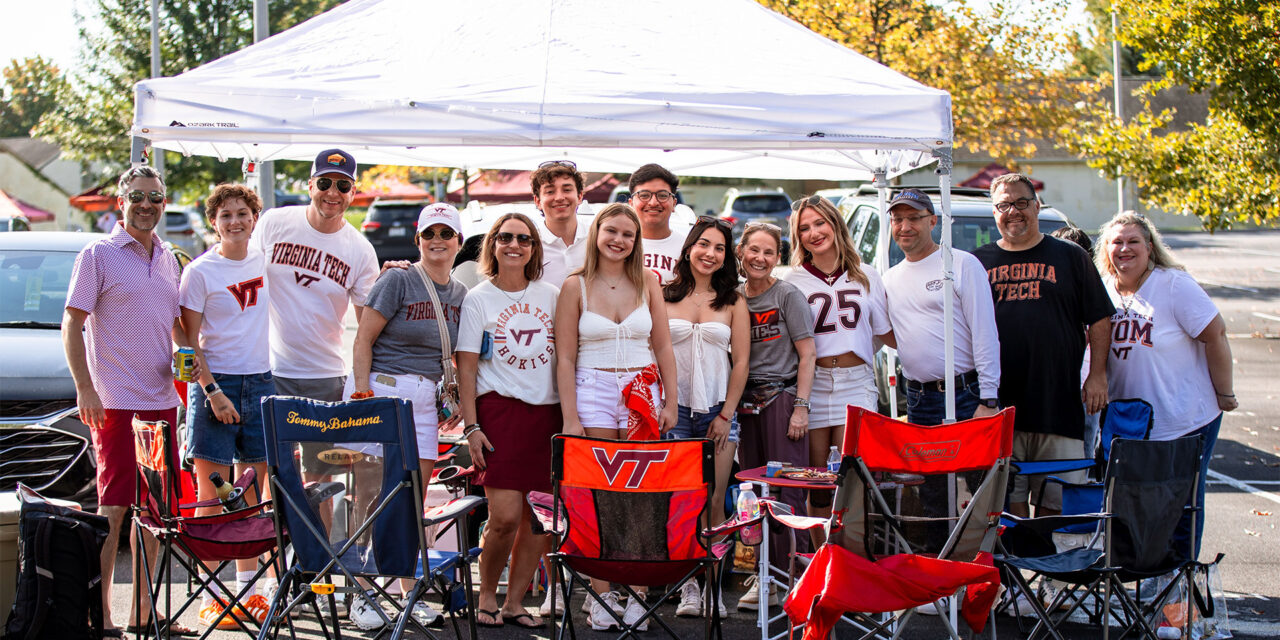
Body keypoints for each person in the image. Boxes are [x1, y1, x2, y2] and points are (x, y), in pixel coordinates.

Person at [63, 165, 197, 637]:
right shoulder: (97, 253)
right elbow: (72, 323)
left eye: (155, 198)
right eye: (137, 196)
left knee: (154, 513)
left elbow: (177, 326)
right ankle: (99, 615)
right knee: (114, 508)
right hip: (115, 403)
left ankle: (143, 611)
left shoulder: (168, 258)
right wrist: (85, 386)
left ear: (164, 203)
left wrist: (190, 355)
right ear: (120, 201)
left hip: (162, 403)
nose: (146, 205)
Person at [554, 203, 678, 632]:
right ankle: (601, 594)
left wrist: (671, 401)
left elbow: (663, 346)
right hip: (593, 390)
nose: (619, 240)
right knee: (600, 493)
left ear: (636, 240)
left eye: (628, 234)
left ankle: (638, 594)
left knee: (641, 492)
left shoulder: (648, 281)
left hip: (643, 390)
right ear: (597, 233)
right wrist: (570, 415)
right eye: (611, 231)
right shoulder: (575, 286)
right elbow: (565, 355)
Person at [344, 202, 468, 629]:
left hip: (423, 400)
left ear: (459, 242)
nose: (437, 240)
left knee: (413, 498)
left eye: (445, 234)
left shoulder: (460, 294)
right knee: (369, 496)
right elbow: (363, 340)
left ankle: (403, 589)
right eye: (429, 233)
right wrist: (362, 394)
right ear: (418, 240)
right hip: (380, 389)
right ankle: (359, 591)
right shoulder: (398, 279)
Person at [971, 173, 1113, 518]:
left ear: (1036, 206)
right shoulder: (976, 263)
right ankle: (1020, 571)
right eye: (1004, 204)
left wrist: (1097, 376)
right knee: (1010, 504)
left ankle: (1050, 569)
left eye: (1021, 202)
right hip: (1001, 407)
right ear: (994, 213)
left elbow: (1099, 318)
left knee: (1056, 505)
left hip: (1059, 404)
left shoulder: (1070, 256)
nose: (1013, 211)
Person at [1095, 211, 1236, 557]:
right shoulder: (1103, 288)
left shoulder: (1173, 284)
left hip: (1185, 416)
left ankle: (1177, 582)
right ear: (1106, 249)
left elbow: (1215, 334)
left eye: (1133, 242)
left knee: (1183, 501)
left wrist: (1224, 393)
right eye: (1117, 242)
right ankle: (1149, 573)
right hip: (1133, 421)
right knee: (1139, 503)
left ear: (1150, 248)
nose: (1124, 249)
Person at [251, 148, 380, 523]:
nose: (332, 193)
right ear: (310, 185)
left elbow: (367, 327)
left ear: (354, 192)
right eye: (324, 183)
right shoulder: (275, 223)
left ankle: (317, 569)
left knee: (318, 483)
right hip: (268, 370)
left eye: (343, 185)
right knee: (266, 476)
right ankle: (269, 572)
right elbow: (242, 277)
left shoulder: (359, 250)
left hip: (324, 377)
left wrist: (363, 383)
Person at [457, 213, 561, 629]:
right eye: (505, 238)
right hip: (499, 412)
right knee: (502, 516)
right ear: (493, 246)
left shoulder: (552, 295)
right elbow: (465, 368)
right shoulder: (478, 298)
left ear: (534, 247)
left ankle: (515, 603)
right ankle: (486, 597)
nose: (514, 245)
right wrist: (471, 426)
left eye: (524, 238)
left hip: (547, 416)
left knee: (537, 519)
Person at [179, 184, 274, 629]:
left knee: (253, 494)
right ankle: (212, 592)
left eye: (242, 213)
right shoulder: (199, 272)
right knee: (211, 493)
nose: (235, 221)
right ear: (213, 221)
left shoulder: (265, 260)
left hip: (261, 380)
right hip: (214, 385)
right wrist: (211, 390)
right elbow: (186, 340)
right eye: (225, 215)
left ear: (254, 218)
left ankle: (249, 590)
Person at [783, 195, 892, 536]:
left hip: (855, 382)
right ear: (797, 236)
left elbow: (881, 333)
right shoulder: (793, 280)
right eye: (804, 228)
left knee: (852, 473)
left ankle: (851, 557)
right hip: (812, 384)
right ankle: (822, 558)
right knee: (817, 476)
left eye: (820, 223)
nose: (814, 232)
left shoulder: (867, 275)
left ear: (835, 224)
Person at [661, 216, 749, 618]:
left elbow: (742, 362)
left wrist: (727, 415)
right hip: (672, 412)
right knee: (680, 502)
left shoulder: (734, 301)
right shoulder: (662, 296)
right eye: (703, 245)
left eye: (718, 248)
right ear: (689, 247)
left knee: (714, 500)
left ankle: (713, 588)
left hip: (717, 411)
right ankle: (688, 588)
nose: (710, 254)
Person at [734, 221, 815, 612]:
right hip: (744, 405)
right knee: (753, 493)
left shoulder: (787, 295)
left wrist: (801, 406)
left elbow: (808, 354)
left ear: (777, 258)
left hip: (782, 399)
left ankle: (791, 577)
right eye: (754, 250)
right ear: (741, 252)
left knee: (787, 491)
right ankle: (761, 575)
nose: (760, 258)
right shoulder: (733, 297)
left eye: (769, 252)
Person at [882, 188, 1000, 424]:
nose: (905, 227)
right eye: (897, 219)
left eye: (914, 218)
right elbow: (888, 333)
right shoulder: (888, 279)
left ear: (933, 221)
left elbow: (984, 333)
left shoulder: (961, 264)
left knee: (970, 463)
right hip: (917, 399)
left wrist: (988, 399)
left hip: (965, 395)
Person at [1051, 225, 1102, 457]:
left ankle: (1081, 488)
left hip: (1083, 389)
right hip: (1050, 388)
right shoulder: (1048, 290)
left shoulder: (1091, 291)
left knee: (1083, 451)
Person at [531, 160, 590, 287]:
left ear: (580, 197)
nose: (559, 197)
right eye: (550, 191)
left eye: (567, 190)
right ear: (538, 201)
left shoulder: (598, 239)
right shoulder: (529, 246)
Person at [629, 163, 686, 284]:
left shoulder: (688, 249)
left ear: (674, 203)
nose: (653, 202)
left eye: (662, 195)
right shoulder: (618, 245)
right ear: (631, 203)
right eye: (644, 195)